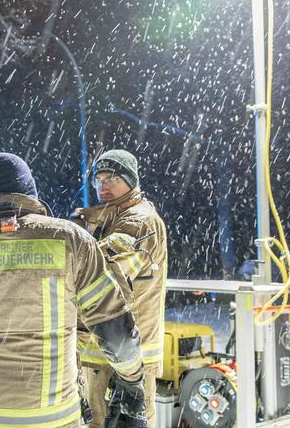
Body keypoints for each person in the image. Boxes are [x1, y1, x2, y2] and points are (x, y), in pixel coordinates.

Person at [0, 152, 147, 428]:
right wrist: (132, 381)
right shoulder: (72, 241)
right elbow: (116, 331)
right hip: (55, 419)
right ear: (30, 191)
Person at [72, 149, 168, 428]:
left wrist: (70, 247)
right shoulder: (108, 219)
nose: (103, 186)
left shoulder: (140, 221)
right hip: (102, 350)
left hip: (129, 356)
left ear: (131, 180)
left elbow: (104, 274)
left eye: (112, 178)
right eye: (98, 180)